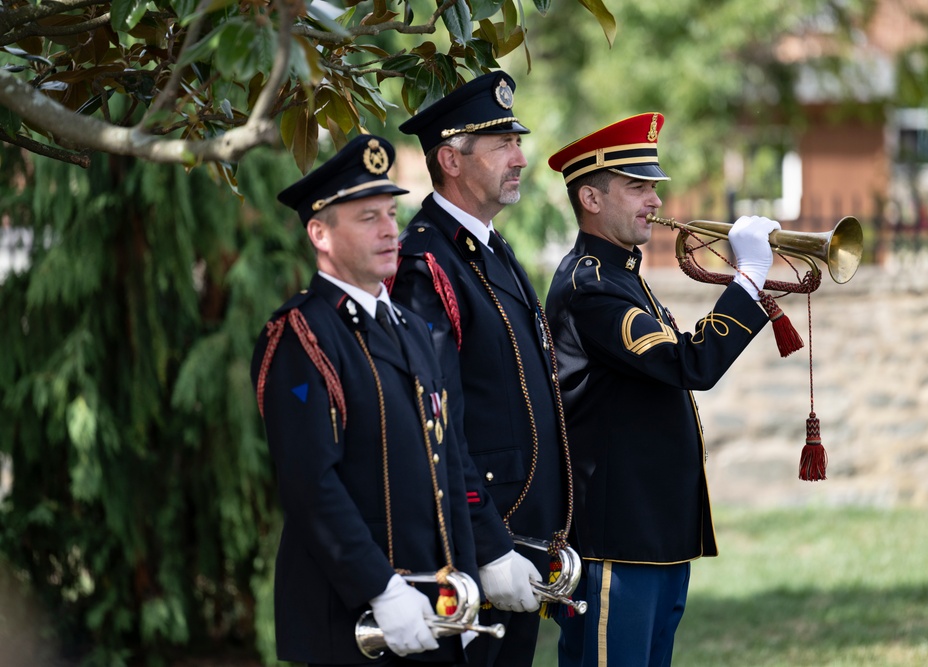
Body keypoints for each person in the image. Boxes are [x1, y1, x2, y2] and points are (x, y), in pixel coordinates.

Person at [544, 113, 781, 667]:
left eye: (653, 187)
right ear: (592, 199)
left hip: (652, 537)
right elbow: (689, 363)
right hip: (616, 543)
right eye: (637, 187)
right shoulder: (592, 285)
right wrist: (747, 280)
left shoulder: (623, 277)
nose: (653, 201)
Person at [250, 134, 484, 667]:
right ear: (320, 233)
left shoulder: (408, 327)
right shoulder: (303, 333)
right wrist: (379, 586)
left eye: (390, 213)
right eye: (366, 217)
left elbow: (444, 465)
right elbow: (311, 484)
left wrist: (464, 581)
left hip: (433, 606)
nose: (388, 230)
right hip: (356, 621)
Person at [389, 71, 574, 667]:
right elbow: (433, 420)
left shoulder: (489, 247)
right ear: (451, 159)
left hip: (522, 540)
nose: (521, 158)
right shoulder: (427, 261)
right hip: (476, 546)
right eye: (502, 145)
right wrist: (490, 548)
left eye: (517, 142)